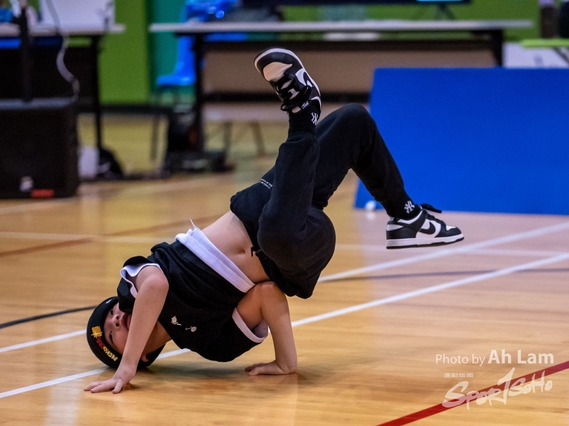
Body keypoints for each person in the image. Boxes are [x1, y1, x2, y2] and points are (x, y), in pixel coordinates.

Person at [84, 47, 464, 394]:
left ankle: (405, 214)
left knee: (353, 122)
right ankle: (301, 113)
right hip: (291, 247)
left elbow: (155, 285)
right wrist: (286, 361)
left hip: (264, 201)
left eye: (111, 313)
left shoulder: (134, 283)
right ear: (144, 356)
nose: (116, 319)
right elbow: (267, 295)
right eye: (113, 334)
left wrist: (126, 367)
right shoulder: (211, 344)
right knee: (277, 233)